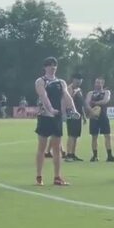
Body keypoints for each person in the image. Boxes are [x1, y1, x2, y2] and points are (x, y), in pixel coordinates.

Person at [34, 57, 79, 186]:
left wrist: (74, 110)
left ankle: (57, 177)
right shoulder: (41, 81)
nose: (52, 67)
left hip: (57, 117)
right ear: (45, 67)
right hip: (45, 116)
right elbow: (43, 96)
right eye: (50, 65)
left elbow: (67, 96)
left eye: (54, 65)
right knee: (42, 147)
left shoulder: (61, 82)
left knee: (56, 148)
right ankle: (39, 176)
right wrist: (50, 109)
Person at [86, 77, 114, 162]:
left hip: (103, 116)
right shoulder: (91, 93)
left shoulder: (106, 92)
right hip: (94, 116)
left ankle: (109, 155)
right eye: (96, 82)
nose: (98, 84)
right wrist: (91, 111)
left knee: (107, 136)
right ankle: (95, 156)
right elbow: (86, 103)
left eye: (100, 83)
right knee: (94, 137)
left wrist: (95, 103)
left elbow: (105, 101)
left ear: (103, 84)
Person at [65, 73, 86, 162]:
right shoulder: (69, 89)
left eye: (80, 81)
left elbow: (81, 105)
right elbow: (68, 100)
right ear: (73, 80)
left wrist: (84, 116)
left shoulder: (79, 90)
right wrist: (74, 92)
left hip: (79, 115)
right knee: (71, 135)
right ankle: (68, 154)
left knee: (76, 136)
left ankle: (73, 154)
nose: (78, 82)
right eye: (77, 80)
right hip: (72, 115)